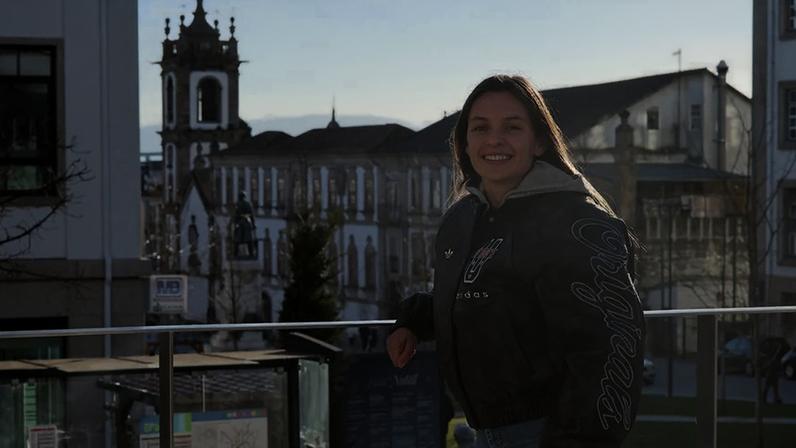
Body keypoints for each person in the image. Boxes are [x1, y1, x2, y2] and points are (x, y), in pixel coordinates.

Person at [387, 74, 646, 448]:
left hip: (547, 433)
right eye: (480, 128)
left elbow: (610, 350)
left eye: (512, 127)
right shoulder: (463, 219)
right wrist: (413, 320)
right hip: (485, 432)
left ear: (538, 141)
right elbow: (488, 297)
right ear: (464, 143)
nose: (494, 139)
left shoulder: (577, 225)